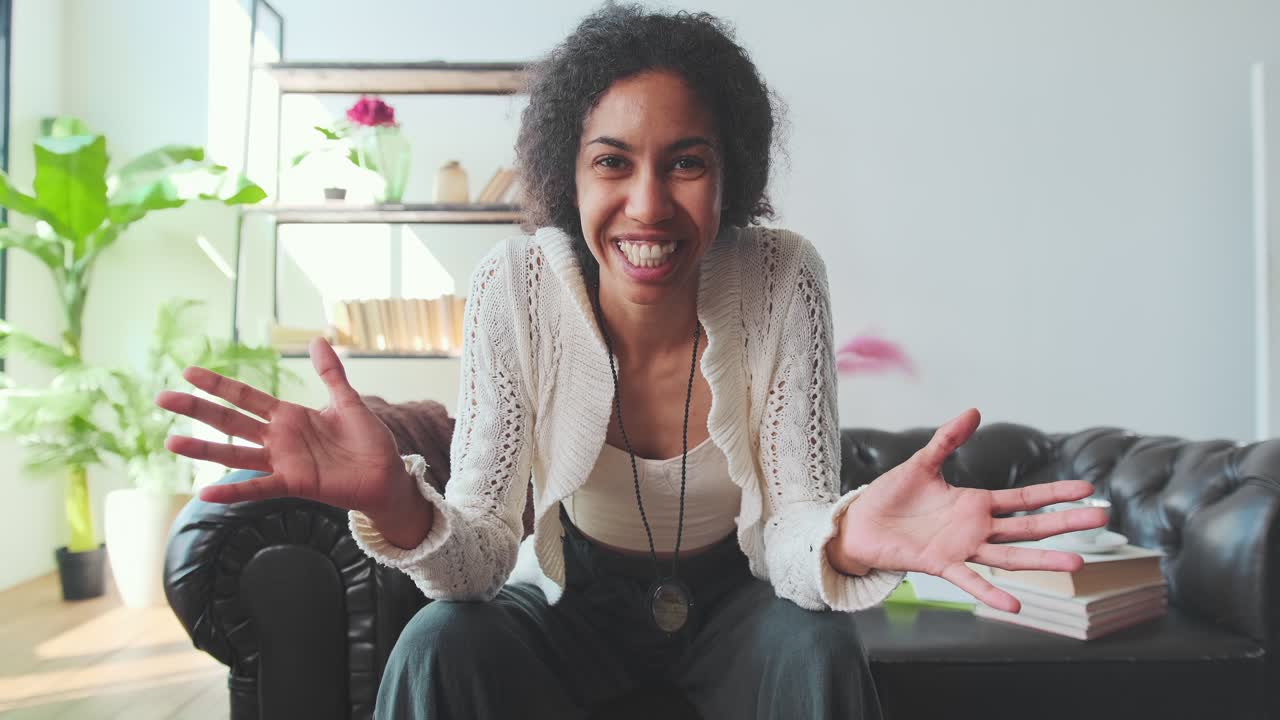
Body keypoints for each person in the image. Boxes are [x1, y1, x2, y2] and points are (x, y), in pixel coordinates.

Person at [155, 5, 1107, 719]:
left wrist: (849, 537)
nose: (648, 204)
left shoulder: (782, 276)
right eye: (613, 162)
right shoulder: (515, 287)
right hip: (574, 605)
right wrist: (396, 501)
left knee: (818, 648)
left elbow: (792, 531)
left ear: (730, 175)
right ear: (568, 178)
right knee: (441, 641)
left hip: (741, 605)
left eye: (686, 162)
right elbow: (480, 557)